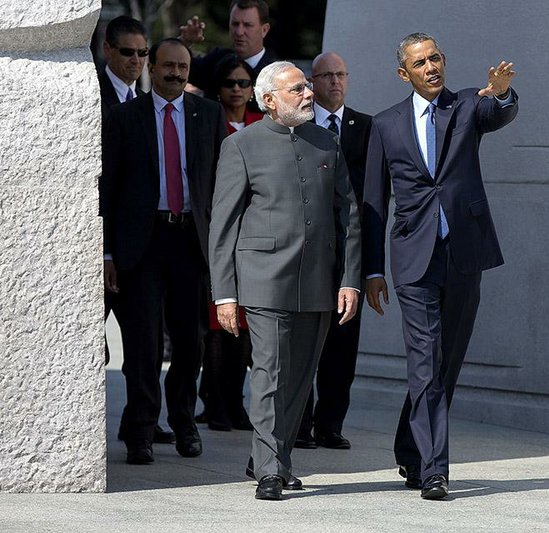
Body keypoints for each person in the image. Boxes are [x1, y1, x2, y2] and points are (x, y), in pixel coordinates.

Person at [362, 32, 518, 500]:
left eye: (436, 58)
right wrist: (372, 270)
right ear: (403, 73)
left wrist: (503, 91)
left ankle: (410, 449)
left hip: (464, 254)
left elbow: (498, 111)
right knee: (424, 361)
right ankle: (435, 469)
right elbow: (374, 200)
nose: (430, 67)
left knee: (445, 364)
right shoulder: (385, 124)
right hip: (413, 259)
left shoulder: (469, 103)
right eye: (420, 62)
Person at [208, 61, 361, 501]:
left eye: (308, 87)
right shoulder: (240, 146)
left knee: (299, 378)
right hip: (262, 280)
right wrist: (225, 293)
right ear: (270, 99)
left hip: (318, 281)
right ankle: (271, 470)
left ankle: (273, 457)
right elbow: (223, 224)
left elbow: (347, 216)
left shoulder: (327, 143)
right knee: (271, 373)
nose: (309, 93)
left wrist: (350, 280)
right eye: (297, 89)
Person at [101, 38, 228, 465]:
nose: (176, 73)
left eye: (183, 66)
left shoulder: (207, 114)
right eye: (168, 66)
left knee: (191, 343)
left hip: (192, 242)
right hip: (144, 244)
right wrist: (107, 254)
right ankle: (140, 430)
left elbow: (220, 183)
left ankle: (184, 424)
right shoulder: (125, 118)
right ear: (150, 69)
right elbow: (109, 190)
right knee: (144, 345)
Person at [98, 15, 176, 446]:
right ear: (108, 50)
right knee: (95, 345)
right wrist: (105, 251)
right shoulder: (91, 93)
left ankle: (141, 427)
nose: (135, 61)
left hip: (147, 246)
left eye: (142, 53)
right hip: (105, 244)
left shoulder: (149, 102)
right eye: (127, 52)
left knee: (145, 346)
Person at [295, 52, 371, 451]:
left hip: (350, 249)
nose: (335, 82)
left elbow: (376, 194)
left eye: (341, 74)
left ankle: (330, 424)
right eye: (327, 76)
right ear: (313, 81)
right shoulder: (301, 128)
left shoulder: (366, 127)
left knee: (343, 346)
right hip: (309, 248)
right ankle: (301, 423)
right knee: (307, 339)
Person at [196, 54, 262, 432]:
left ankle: (235, 403)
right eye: (230, 83)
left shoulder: (261, 124)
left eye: (244, 83)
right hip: (219, 231)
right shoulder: (209, 121)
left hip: (253, 235)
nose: (237, 89)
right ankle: (216, 404)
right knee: (218, 323)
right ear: (217, 89)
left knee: (245, 324)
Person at [179, 0, 274, 94]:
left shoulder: (277, 74)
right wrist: (184, 42)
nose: (239, 32)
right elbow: (178, 68)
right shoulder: (216, 61)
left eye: (247, 25)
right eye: (235, 24)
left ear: (264, 30)